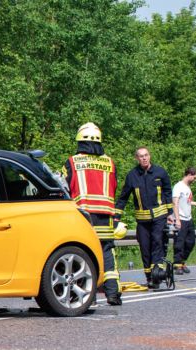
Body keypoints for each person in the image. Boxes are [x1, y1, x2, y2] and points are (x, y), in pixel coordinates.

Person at [61, 122, 121, 305]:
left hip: (83, 215)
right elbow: (115, 185)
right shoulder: (110, 162)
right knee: (106, 252)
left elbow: (63, 186)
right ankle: (112, 293)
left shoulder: (72, 162)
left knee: (84, 254)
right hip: (105, 216)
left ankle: (89, 296)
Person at [115, 147, 173, 289]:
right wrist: (116, 217)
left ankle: (157, 275)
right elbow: (123, 198)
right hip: (142, 221)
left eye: (146, 155)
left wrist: (170, 213)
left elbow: (167, 192)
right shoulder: (132, 176)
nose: (144, 158)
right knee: (145, 248)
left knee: (157, 243)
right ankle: (149, 277)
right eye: (141, 156)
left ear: (150, 156)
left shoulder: (160, 172)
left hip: (159, 217)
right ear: (137, 158)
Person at [171, 167, 196, 275]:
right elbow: (175, 203)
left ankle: (182, 262)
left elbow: (187, 202)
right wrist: (177, 219)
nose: (195, 180)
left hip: (188, 218)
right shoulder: (179, 186)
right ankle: (177, 265)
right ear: (190, 174)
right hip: (180, 218)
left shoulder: (187, 187)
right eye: (194, 177)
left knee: (191, 242)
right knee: (179, 243)